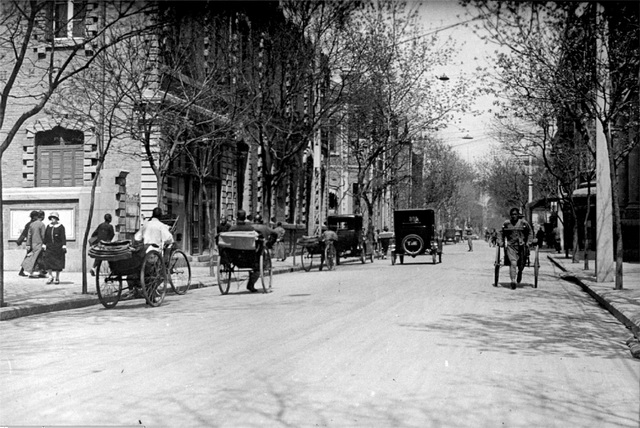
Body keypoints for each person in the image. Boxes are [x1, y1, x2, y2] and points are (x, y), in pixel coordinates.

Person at [227, 210, 262, 292]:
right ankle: (251, 284)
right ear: (245, 218)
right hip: (249, 256)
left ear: (237, 218)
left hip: (234, 256)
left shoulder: (232, 229)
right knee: (257, 268)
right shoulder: (250, 228)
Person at [500, 208, 531, 290]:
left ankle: (520, 271)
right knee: (513, 263)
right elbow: (501, 233)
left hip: (521, 246)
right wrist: (501, 242)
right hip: (511, 246)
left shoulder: (523, 223)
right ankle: (513, 280)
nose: (514, 216)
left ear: (518, 215)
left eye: (515, 214)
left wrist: (528, 242)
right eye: (512, 214)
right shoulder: (507, 223)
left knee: (521, 264)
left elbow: (530, 232)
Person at [42, 211, 67, 284]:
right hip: (49, 247)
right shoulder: (48, 226)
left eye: (54, 218)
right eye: (51, 218)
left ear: (57, 219)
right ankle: (50, 276)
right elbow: (46, 236)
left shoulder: (61, 227)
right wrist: (44, 244)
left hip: (58, 247)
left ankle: (57, 277)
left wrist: (64, 245)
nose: (52, 219)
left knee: (58, 263)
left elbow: (63, 237)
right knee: (48, 262)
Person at [21, 210, 47, 278]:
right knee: (38, 258)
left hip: (33, 244)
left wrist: (28, 244)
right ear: (42, 217)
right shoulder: (42, 224)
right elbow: (43, 235)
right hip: (39, 243)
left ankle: (39, 272)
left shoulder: (32, 224)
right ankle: (34, 272)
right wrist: (45, 243)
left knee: (34, 257)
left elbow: (29, 235)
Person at [17, 210, 39, 277]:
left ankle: (39, 271)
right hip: (32, 243)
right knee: (29, 257)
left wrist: (20, 241)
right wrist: (20, 241)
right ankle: (22, 271)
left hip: (33, 243)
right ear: (34, 216)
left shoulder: (30, 224)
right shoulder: (31, 224)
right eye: (37, 216)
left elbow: (24, 233)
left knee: (31, 256)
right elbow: (25, 233)